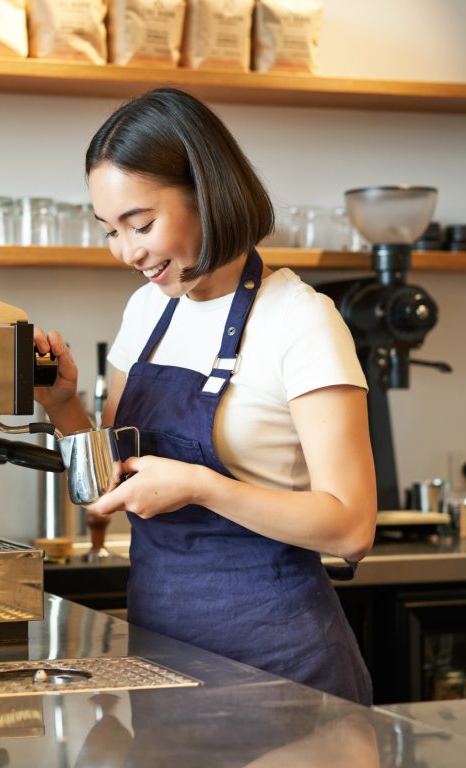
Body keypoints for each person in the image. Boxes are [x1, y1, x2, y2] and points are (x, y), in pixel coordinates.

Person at [34, 87, 376, 705]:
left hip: (282, 668)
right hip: (161, 654)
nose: (128, 252)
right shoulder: (147, 310)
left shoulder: (301, 320)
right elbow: (115, 481)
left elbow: (351, 528)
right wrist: (62, 404)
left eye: (141, 224)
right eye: (110, 231)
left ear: (207, 193)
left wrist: (202, 486)